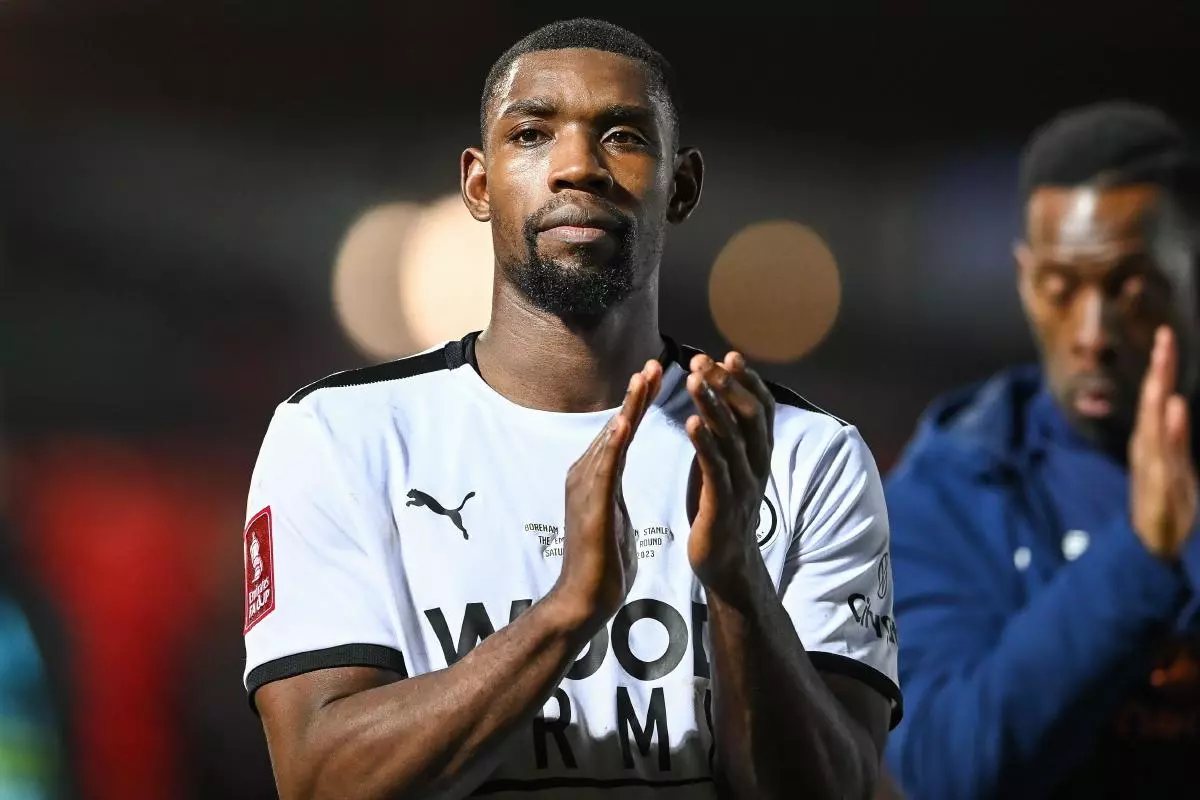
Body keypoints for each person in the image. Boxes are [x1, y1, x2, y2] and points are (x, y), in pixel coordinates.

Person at [241, 18, 900, 800]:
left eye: (623, 135)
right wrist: (564, 613)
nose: (578, 166)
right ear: (478, 184)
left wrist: (735, 580)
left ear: (681, 186)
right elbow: (319, 781)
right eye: (532, 133)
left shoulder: (805, 456)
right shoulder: (338, 437)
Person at [884, 101, 1200, 799]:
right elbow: (941, 768)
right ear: (1026, 279)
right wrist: (1141, 557)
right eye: (1061, 289)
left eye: (1132, 289)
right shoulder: (950, 488)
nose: (1092, 331)